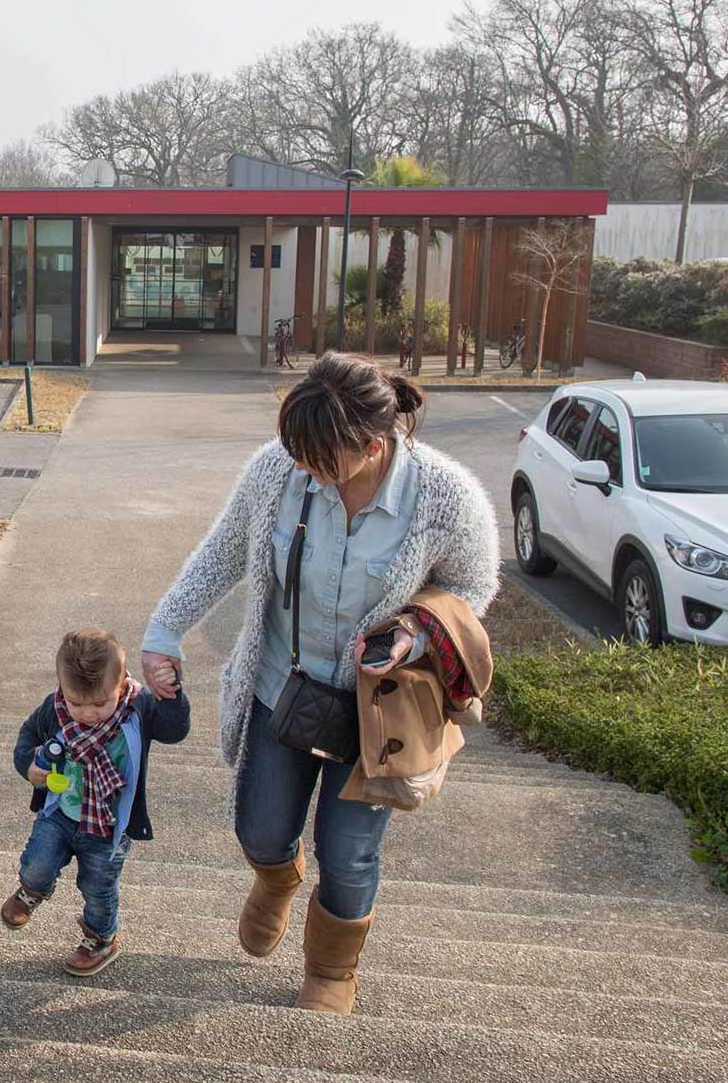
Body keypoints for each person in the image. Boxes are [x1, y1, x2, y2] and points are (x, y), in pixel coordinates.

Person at [139, 352, 498, 1014]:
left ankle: (331, 972)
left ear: (371, 446)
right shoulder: (277, 469)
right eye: (295, 452)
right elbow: (221, 552)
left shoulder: (445, 497)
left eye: (318, 460)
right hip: (283, 686)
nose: (301, 469)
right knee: (260, 830)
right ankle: (276, 881)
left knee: (348, 853)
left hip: (375, 717)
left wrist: (414, 633)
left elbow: (473, 586)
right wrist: (163, 631)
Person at [3, 628, 190, 977]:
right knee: (37, 863)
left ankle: (100, 939)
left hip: (108, 824)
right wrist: (29, 765)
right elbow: (28, 736)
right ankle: (32, 890)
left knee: (97, 887)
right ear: (62, 688)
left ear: (121, 686)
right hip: (62, 810)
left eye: (100, 703)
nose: (88, 714)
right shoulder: (55, 709)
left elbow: (174, 729)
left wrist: (171, 691)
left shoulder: (139, 709)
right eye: (77, 703)